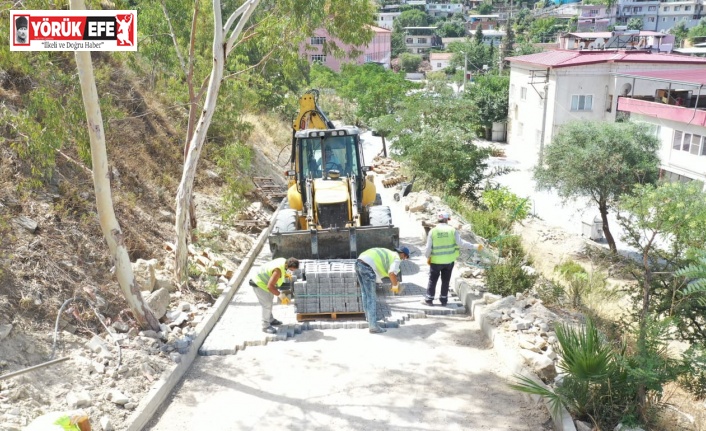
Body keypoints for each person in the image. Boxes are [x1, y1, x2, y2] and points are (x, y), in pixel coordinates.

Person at [423, 211, 483, 306]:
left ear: (438, 220)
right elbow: (461, 243)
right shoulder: (452, 230)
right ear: (447, 220)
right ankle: (443, 300)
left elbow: (428, 248)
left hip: (435, 261)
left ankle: (429, 300)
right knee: (446, 281)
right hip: (449, 262)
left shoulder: (432, 231)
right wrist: (475, 246)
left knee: (432, 280)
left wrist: (428, 257)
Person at [355, 246, 410, 333]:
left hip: (359, 262)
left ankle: (369, 318)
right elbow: (392, 273)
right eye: (406, 257)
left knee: (365, 293)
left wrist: (394, 283)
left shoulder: (390, 253)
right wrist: (395, 287)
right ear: (403, 254)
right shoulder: (396, 258)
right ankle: (373, 326)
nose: (404, 259)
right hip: (367, 267)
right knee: (371, 297)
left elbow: (390, 273)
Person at [250, 257, 299, 334]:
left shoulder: (283, 261)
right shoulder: (278, 271)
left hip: (266, 281)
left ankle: (270, 319)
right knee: (267, 304)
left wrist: (286, 275)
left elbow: (277, 276)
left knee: (270, 300)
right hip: (258, 283)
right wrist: (281, 296)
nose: (292, 271)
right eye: (292, 270)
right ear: (288, 266)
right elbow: (270, 287)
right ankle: (265, 326)